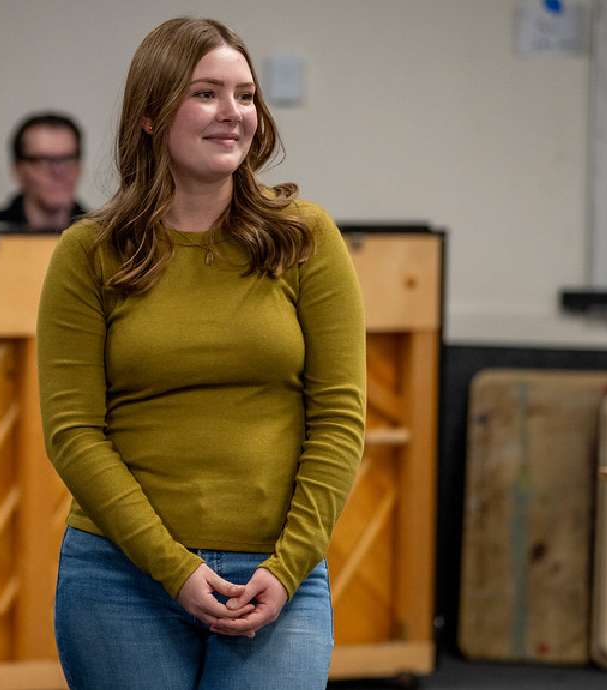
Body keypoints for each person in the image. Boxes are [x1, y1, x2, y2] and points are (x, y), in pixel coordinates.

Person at [37, 17, 366, 690]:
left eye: (245, 96)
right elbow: (73, 433)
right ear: (152, 115)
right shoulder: (90, 252)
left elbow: (340, 420)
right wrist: (173, 566)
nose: (233, 115)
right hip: (120, 576)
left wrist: (287, 565)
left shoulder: (306, 237)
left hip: (277, 573)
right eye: (207, 94)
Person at [0, 111, 87, 230]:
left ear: (80, 167)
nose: (58, 171)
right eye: (43, 161)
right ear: (17, 170)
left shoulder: (100, 235)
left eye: (67, 159)